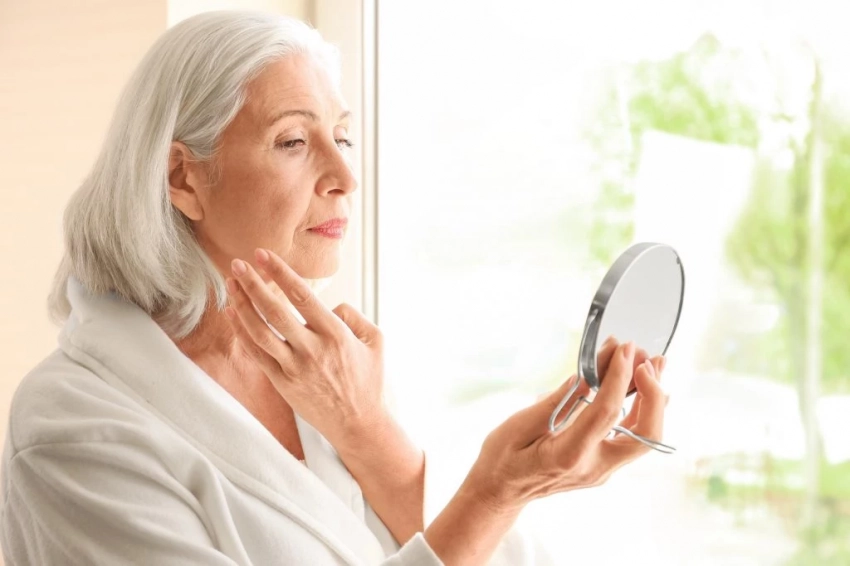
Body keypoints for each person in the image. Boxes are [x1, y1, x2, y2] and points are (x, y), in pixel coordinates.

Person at [0, 10, 669, 565]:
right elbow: (466, 528)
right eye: (293, 141)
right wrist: (497, 491)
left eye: (341, 137)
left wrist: (367, 428)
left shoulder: (331, 365)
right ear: (183, 178)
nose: (345, 177)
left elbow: (463, 545)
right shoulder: (74, 430)